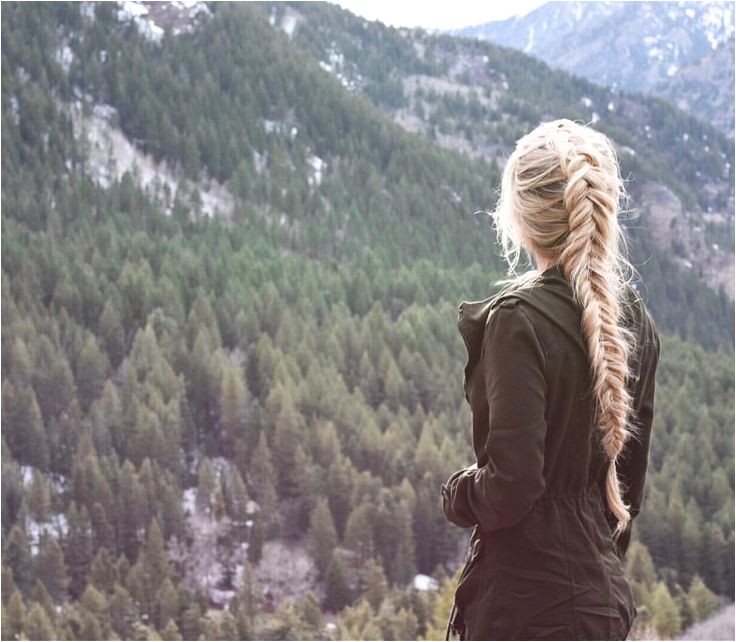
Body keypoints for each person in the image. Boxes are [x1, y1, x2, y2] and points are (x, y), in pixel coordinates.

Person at [440, 118, 661, 641]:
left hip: (523, 607)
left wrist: (459, 494)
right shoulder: (633, 323)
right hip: (603, 603)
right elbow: (625, 491)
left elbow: (513, 485)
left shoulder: (518, 320)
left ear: (518, 217)